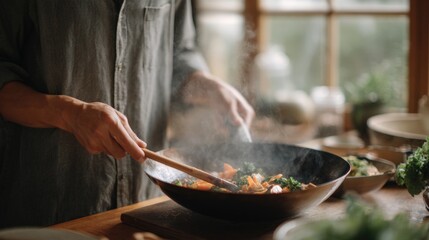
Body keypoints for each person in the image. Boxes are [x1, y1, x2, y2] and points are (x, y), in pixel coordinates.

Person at [0, 0, 254, 227]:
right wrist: (69, 113)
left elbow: (179, 53)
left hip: (141, 205)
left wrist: (203, 83)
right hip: (47, 209)